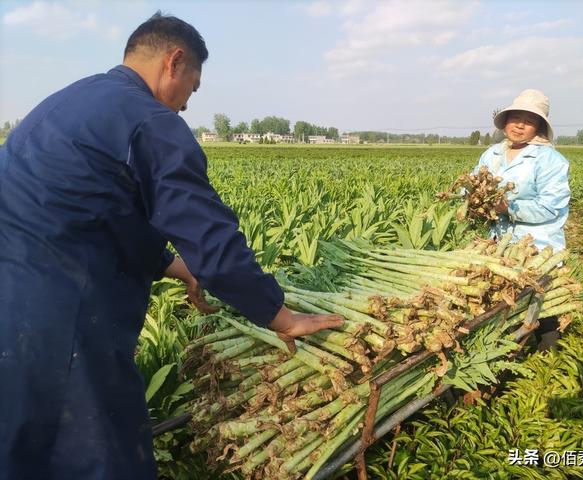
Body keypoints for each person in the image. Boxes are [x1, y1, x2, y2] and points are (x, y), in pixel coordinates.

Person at [0, 13, 342, 480]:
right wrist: (281, 316)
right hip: (66, 330)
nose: (185, 105)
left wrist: (176, 267)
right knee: (103, 460)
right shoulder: (150, 122)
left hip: (12, 315)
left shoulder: (66, 104)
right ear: (174, 61)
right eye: (193, 88)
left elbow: (87, 215)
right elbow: (211, 238)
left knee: (21, 452)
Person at [473, 89, 571, 351]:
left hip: (538, 244)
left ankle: (549, 358)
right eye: (514, 118)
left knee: (542, 301)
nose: (519, 125)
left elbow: (551, 207)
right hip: (499, 241)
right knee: (503, 300)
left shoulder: (550, 160)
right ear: (505, 122)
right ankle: (507, 351)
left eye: (528, 120)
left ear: (538, 127)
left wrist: (507, 206)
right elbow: (473, 186)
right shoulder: (491, 154)